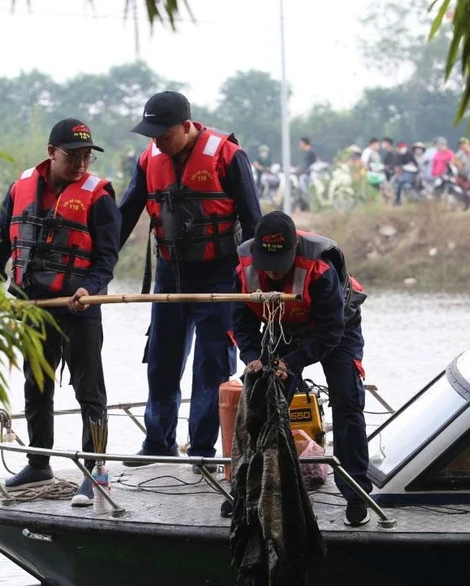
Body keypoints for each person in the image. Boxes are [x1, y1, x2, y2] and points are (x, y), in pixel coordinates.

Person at [118, 91, 262, 469]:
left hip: (219, 274)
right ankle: (157, 442)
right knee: (161, 360)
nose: (158, 141)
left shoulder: (228, 156)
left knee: (211, 365)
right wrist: (98, 268)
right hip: (169, 273)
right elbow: (127, 212)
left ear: (187, 126)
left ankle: (201, 449)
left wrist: (254, 284)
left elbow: (252, 220)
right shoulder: (150, 157)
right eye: (152, 134)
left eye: (164, 134)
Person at [0, 118, 120, 506]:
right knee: (36, 384)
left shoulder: (99, 197)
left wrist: (89, 289)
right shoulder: (20, 189)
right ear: (51, 153)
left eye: (86, 156)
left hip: (79, 307)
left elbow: (107, 259)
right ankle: (38, 460)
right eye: (73, 156)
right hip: (33, 308)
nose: (81, 164)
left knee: (89, 390)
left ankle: (96, 472)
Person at [233, 211, 372, 526]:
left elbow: (331, 331)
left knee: (347, 401)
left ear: (293, 252)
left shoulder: (320, 271)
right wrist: (253, 355)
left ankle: (356, 494)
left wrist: (291, 363)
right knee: (263, 399)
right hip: (283, 325)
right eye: (267, 265)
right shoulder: (243, 270)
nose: (272, 272)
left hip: (336, 328)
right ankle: (251, 492)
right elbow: (240, 319)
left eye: (279, 265)